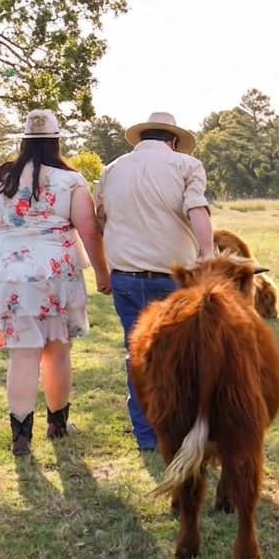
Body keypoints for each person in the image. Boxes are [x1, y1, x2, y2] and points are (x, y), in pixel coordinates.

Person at [0, 109, 111, 456]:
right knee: (57, 350)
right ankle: (57, 423)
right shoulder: (71, 180)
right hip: (57, 272)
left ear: (23, 140)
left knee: (22, 356)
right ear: (56, 141)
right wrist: (101, 271)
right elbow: (89, 231)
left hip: (11, 272)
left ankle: (21, 434)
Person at [93, 111, 214, 451]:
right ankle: (182, 429)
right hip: (173, 279)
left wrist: (105, 265)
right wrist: (206, 254)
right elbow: (197, 209)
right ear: (173, 141)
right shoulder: (186, 166)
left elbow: (99, 221)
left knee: (138, 353)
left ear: (144, 138)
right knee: (183, 355)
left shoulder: (111, 170)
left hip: (126, 278)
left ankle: (147, 435)